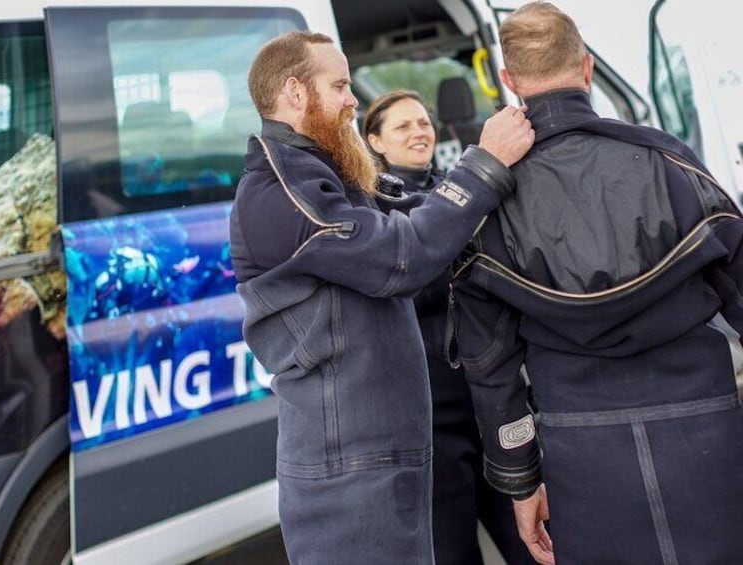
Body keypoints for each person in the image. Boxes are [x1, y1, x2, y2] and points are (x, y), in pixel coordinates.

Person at [451, 3, 743, 564]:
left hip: (581, 452)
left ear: (510, 83)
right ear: (586, 69)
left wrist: (518, 480)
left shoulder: (491, 206)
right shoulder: (669, 160)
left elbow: (490, 367)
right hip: (704, 432)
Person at [229, 30, 534, 564]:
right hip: (345, 474)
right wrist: (484, 164)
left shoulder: (327, 176)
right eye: (341, 85)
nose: (353, 101)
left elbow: (418, 206)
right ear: (296, 93)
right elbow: (403, 257)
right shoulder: (279, 192)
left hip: (382, 458)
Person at [362, 89, 534, 565]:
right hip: (431, 410)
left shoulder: (456, 189)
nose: (419, 132)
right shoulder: (372, 208)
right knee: (453, 547)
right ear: (374, 141)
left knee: (531, 541)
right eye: (402, 127)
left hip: (487, 396)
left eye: (423, 123)